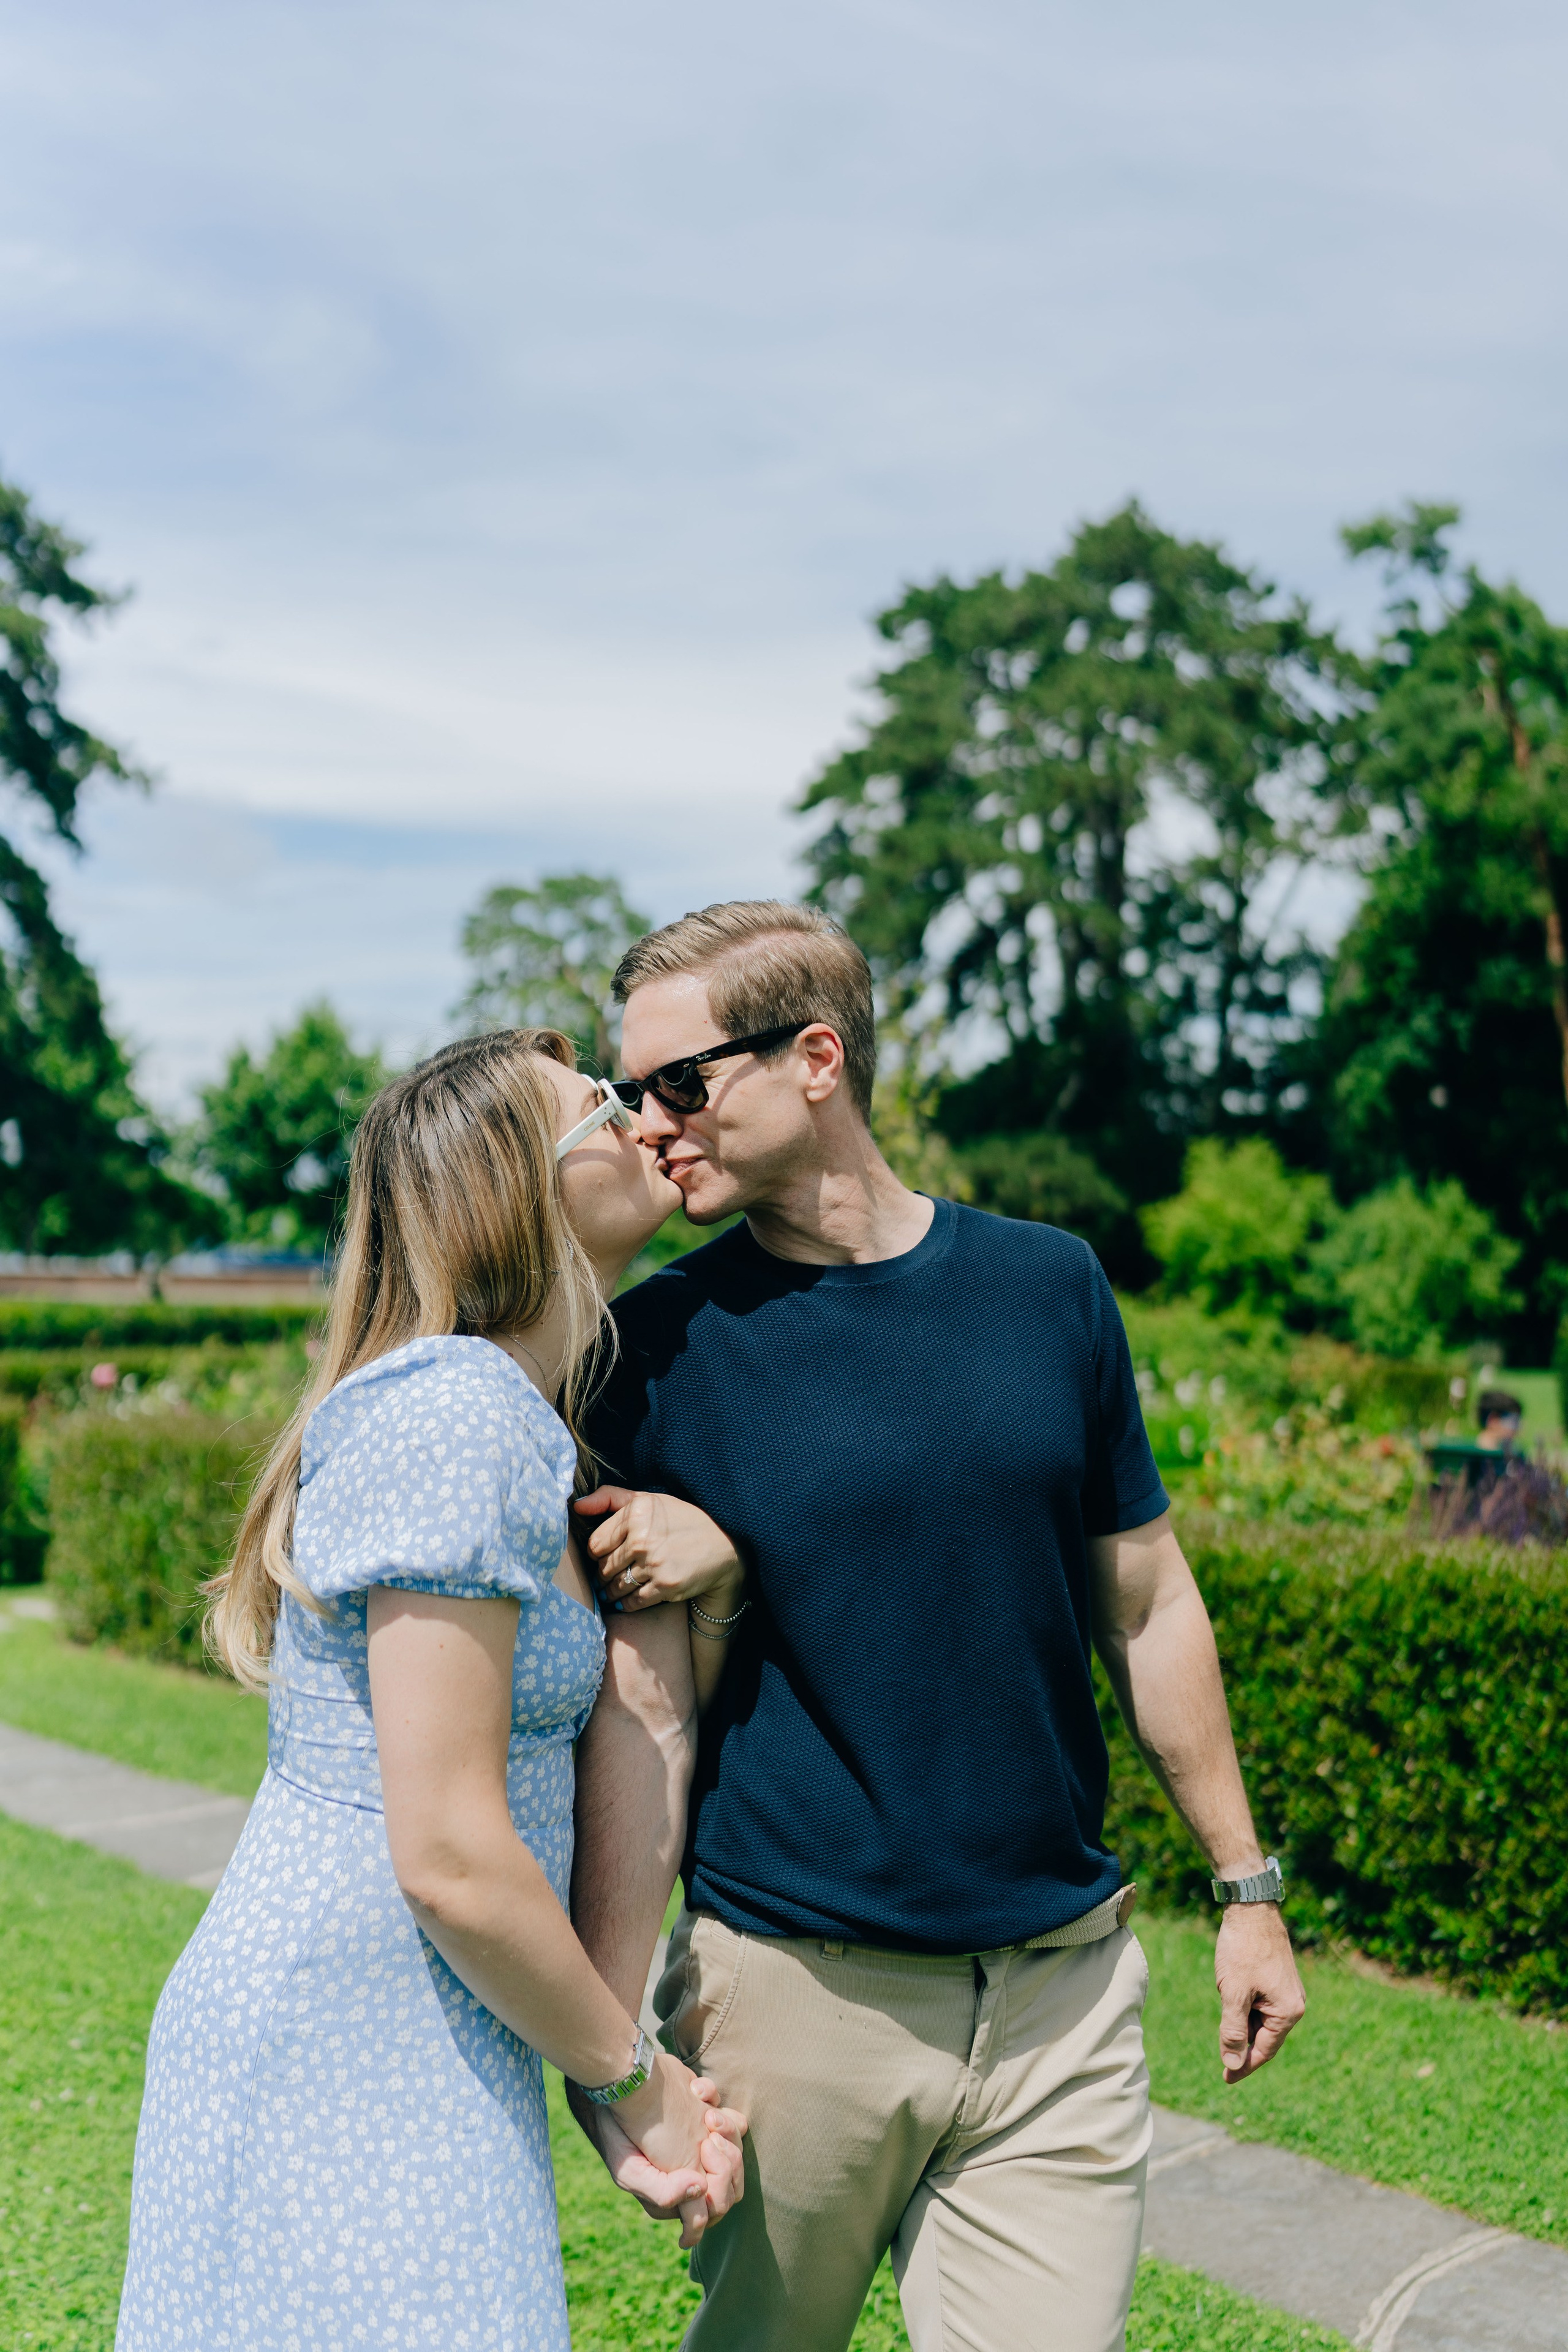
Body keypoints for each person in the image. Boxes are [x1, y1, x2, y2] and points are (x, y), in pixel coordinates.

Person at [567, 900, 1306, 2352]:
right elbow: (634, 1717)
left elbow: (1147, 1604)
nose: (650, 1127)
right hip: (790, 2003)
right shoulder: (648, 1352)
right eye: (625, 1095)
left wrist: (1244, 1882)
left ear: (817, 1058)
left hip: (1063, 2005)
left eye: (680, 1083)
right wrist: (614, 2036)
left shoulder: (1051, 1288)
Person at [115, 1028, 744, 2352]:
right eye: (602, 1106)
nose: (643, 1118)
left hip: (427, 2027)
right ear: (513, 1183)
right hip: (336, 2049)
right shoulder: (452, 1410)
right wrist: (633, 2075)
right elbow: (451, 1851)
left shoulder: (521, 1414)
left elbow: (624, 1727)